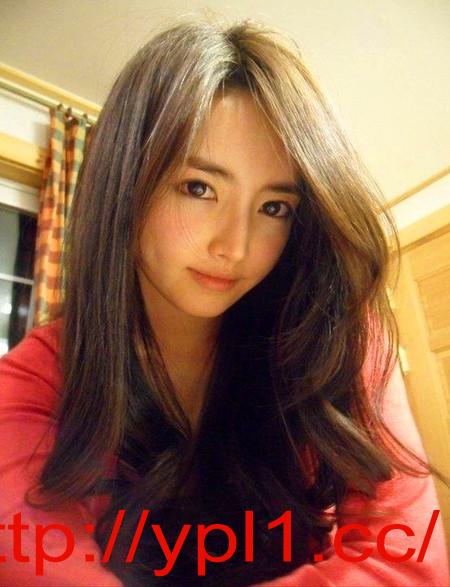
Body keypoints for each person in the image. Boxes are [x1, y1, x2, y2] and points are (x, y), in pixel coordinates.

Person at [0, 18, 449, 587]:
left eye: (273, 208)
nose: (234, 247)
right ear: (125, 187)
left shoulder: (333, 339)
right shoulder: (38, 379)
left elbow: (405, 563)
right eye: (199, 189)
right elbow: (33, 561)